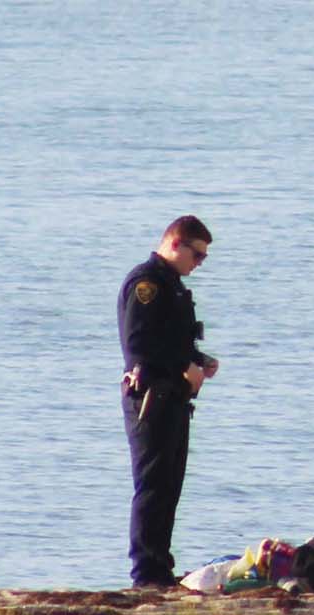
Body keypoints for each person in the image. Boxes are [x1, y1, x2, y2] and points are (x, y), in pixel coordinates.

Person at [118, 215, 218, 589]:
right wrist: (183, 366)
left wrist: (199, 360)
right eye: (197, 255)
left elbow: (171, 339)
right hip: (151, 398)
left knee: (170, 486)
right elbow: (139, 344)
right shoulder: (147, 283)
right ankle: (146, 573)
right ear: (175, 243)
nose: (199, 263)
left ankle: (160, 567)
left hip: (174, 398)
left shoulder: (172, 286)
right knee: (153, 486)